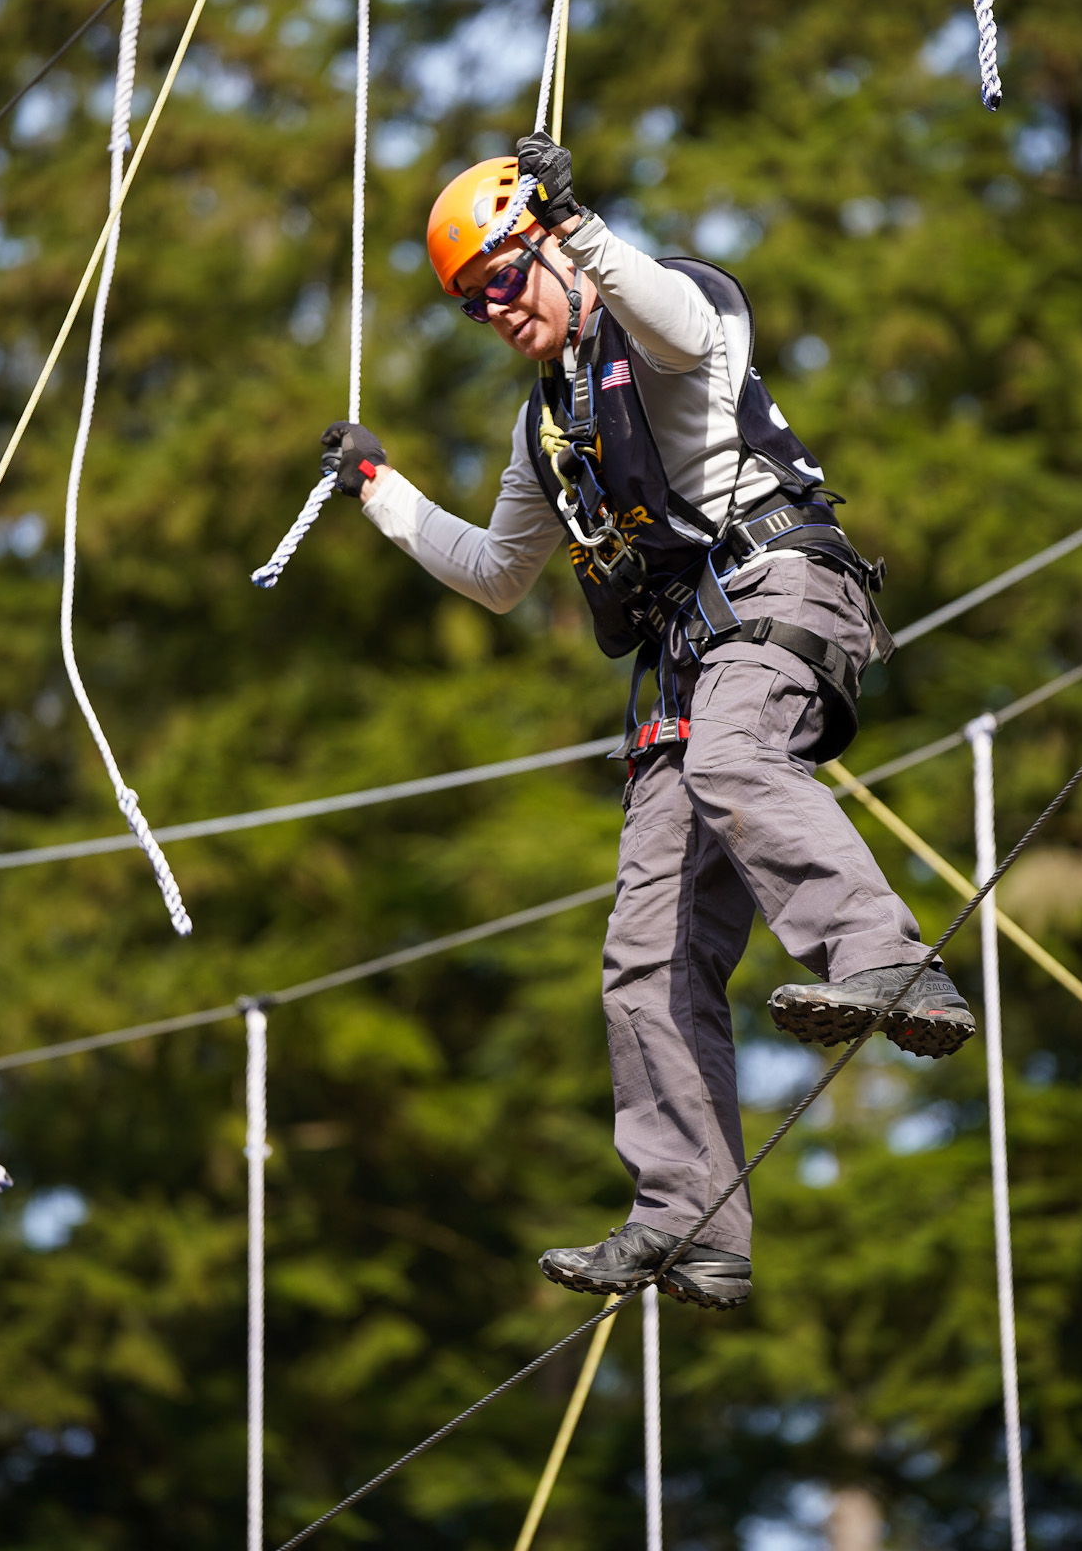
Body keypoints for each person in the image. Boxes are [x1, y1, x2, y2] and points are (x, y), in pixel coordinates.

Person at [320, 136, 974, 1311]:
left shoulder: (670, 315)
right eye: (473, 302)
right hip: (688, 661)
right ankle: (691, 1222)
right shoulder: (546, 428)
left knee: (733, 755)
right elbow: (496, 571)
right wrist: (382, 491)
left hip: (776, 591)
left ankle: (889, 959)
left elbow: (678, 325)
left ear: (550, 250)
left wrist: (581, 232)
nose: (496, 309)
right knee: (644, 955)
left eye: (505, 277)